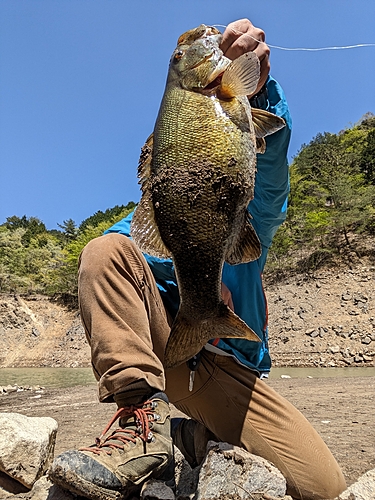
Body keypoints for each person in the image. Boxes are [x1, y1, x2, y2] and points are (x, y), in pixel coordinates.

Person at [49, 18, 346, 500]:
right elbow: (129, 249)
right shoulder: (158, 217)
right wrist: (188, 274)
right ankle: (139, 422)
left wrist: (263, 93)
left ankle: (196, 437)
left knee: (323, 488)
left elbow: (269, 183)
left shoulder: (252, 213)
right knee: (103, 251)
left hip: (226, 365)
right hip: (168, 351)